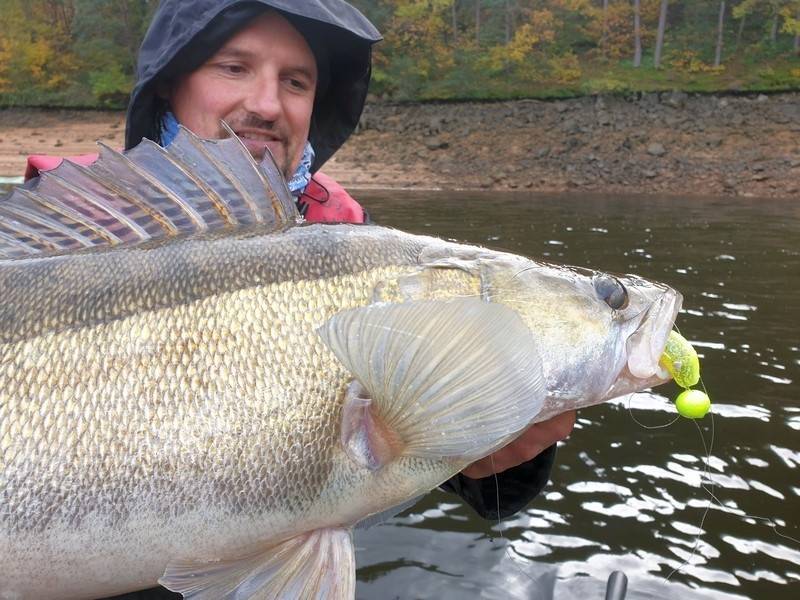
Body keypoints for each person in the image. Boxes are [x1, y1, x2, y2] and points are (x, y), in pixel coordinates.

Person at [29, 1, 575, 597]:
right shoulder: (56, 241)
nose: (266, 104)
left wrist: (513, 451)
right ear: (170, 86)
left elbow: (481, 491)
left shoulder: (361, 257)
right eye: (232, 68)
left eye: (296, 81)